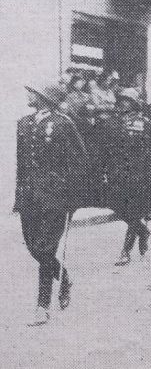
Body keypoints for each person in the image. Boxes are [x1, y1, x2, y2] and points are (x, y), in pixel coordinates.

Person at [15, 81, 88, 326]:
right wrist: (19, 195)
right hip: (29, 196)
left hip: (55, 197)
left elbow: (80, 162)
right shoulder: (24, 123)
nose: (28, 95)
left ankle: (42, 306)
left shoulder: (63, 124)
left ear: (44, 97)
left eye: (33, 92)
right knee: (33, 247)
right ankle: (63, 276)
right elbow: (21, 164)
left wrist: (72, 196)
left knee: (45, 249)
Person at [100, 88, 151, 266]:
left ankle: (125, 251)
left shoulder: (145, 125)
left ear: (134, 104)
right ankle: (143, 231)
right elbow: (105, 149)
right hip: (116, 175)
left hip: (139, 176)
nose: (122, 104)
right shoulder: (112, 123)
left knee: (134, 212)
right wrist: (103, 170)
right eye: (121, 100)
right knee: (118, 207)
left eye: (127, 101)